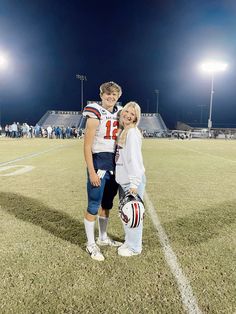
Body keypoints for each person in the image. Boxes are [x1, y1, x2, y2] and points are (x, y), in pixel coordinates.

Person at [83, 81, 123, 261]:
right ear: (101, 95)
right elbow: (87, 146)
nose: (111, 97)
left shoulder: (120, 113)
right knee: (93, 205)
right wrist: (91, 171)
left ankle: (103, 237)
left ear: (118, 96)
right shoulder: (95, 112)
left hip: (114, 167)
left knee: (107, 205)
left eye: (114, 94)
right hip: (99, 166)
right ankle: (91, 243)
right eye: (108, 93)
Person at [115, 101, 146, 257]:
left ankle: (134, 247)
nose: (127, 115)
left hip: (131, 182)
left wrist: (134, 183)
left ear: (135, 118)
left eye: (132, 114)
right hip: (125, 181)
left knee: (134, 215)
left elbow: (134, 160)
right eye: (126, 111)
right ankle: (129, 241)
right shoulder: (125, 131)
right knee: (126, 214)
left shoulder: (132, 133)